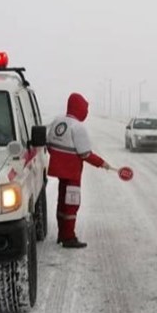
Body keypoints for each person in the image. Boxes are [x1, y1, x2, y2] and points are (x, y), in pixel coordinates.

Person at [46, 93, 111, 248]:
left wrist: (59, 159)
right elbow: (85, 153)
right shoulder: (78, 127)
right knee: (71, 204)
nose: (86, 112)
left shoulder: (57, 121)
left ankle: (62, 234)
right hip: (72, 173)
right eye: (85, 108)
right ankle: (69, 237)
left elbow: (49, 143)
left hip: (59, 171)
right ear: (80, 108)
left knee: (62, 202)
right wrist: (102, 163)